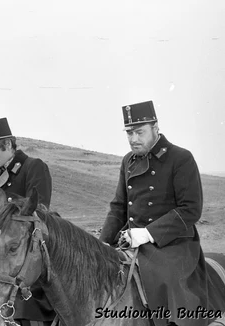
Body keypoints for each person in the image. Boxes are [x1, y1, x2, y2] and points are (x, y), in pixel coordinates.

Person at [99, 101, 209, 326]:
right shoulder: (128, 161)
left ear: (155, 127)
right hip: (132, 241)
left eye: (140, 132)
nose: (133, 139)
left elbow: (191, 210)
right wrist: (102, 244)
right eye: (129, 133)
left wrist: (148, 233)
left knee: (167, 282)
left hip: (172, 243)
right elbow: (119, 206)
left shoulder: (181, 158)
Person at [0, 117, 55, 326]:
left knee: (28, 307)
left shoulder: (33, 167)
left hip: (28, 250)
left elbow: (39, 211)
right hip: (1, 251)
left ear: (9, 145)